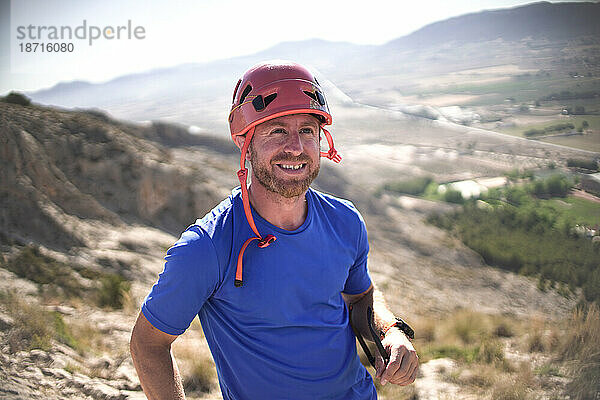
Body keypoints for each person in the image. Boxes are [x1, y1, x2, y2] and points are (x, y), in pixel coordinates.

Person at [130, 60, 418, 400]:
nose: (295, 147)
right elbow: (148, 344)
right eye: (277, 130)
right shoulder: (207, 247)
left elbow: (360, 297)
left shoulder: (345, 220)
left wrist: (392, 331)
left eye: (307, 131)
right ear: (245, 143)